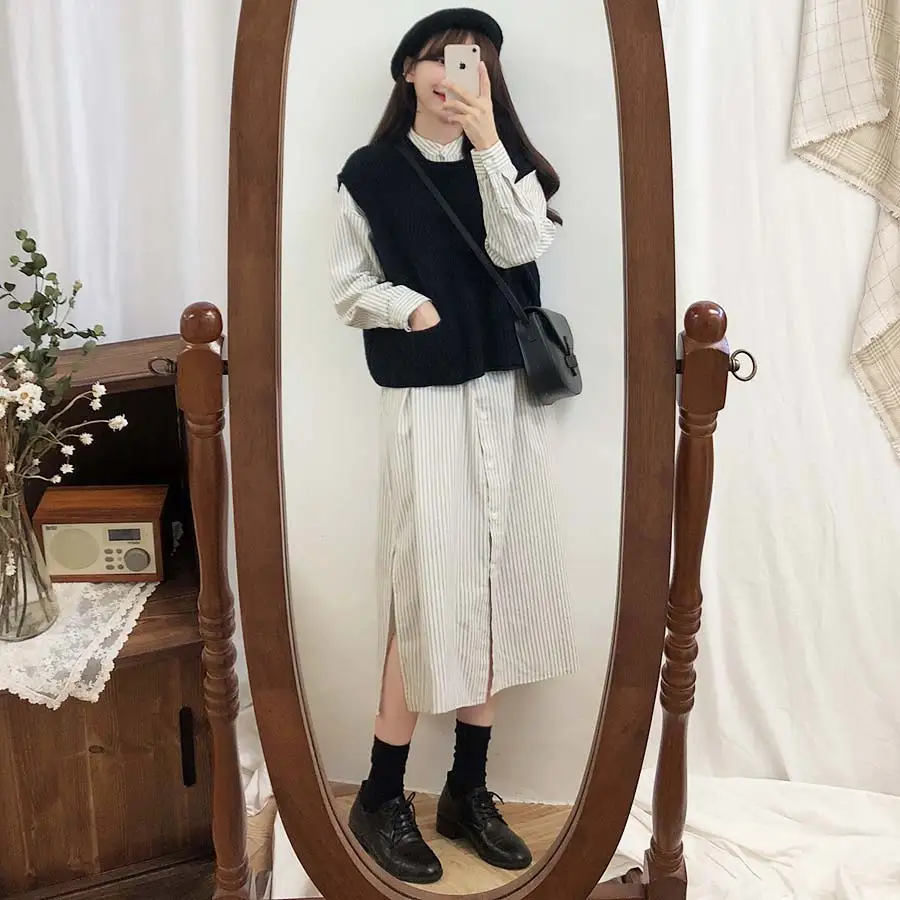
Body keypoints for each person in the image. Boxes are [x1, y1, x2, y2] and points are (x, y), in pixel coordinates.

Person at [328, 7, 578, 885]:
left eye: (472, 63)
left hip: (505, 398)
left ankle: (468, 790)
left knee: (499, 580)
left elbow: (521, 245)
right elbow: (347, 285)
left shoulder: (505, 162)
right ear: (408, 70)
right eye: (439, 58)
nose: (453, 75)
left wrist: (488, 146)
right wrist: (410, 307)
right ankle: (380, 792)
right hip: (426, 403)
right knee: (426, 586)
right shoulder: (370, 172)